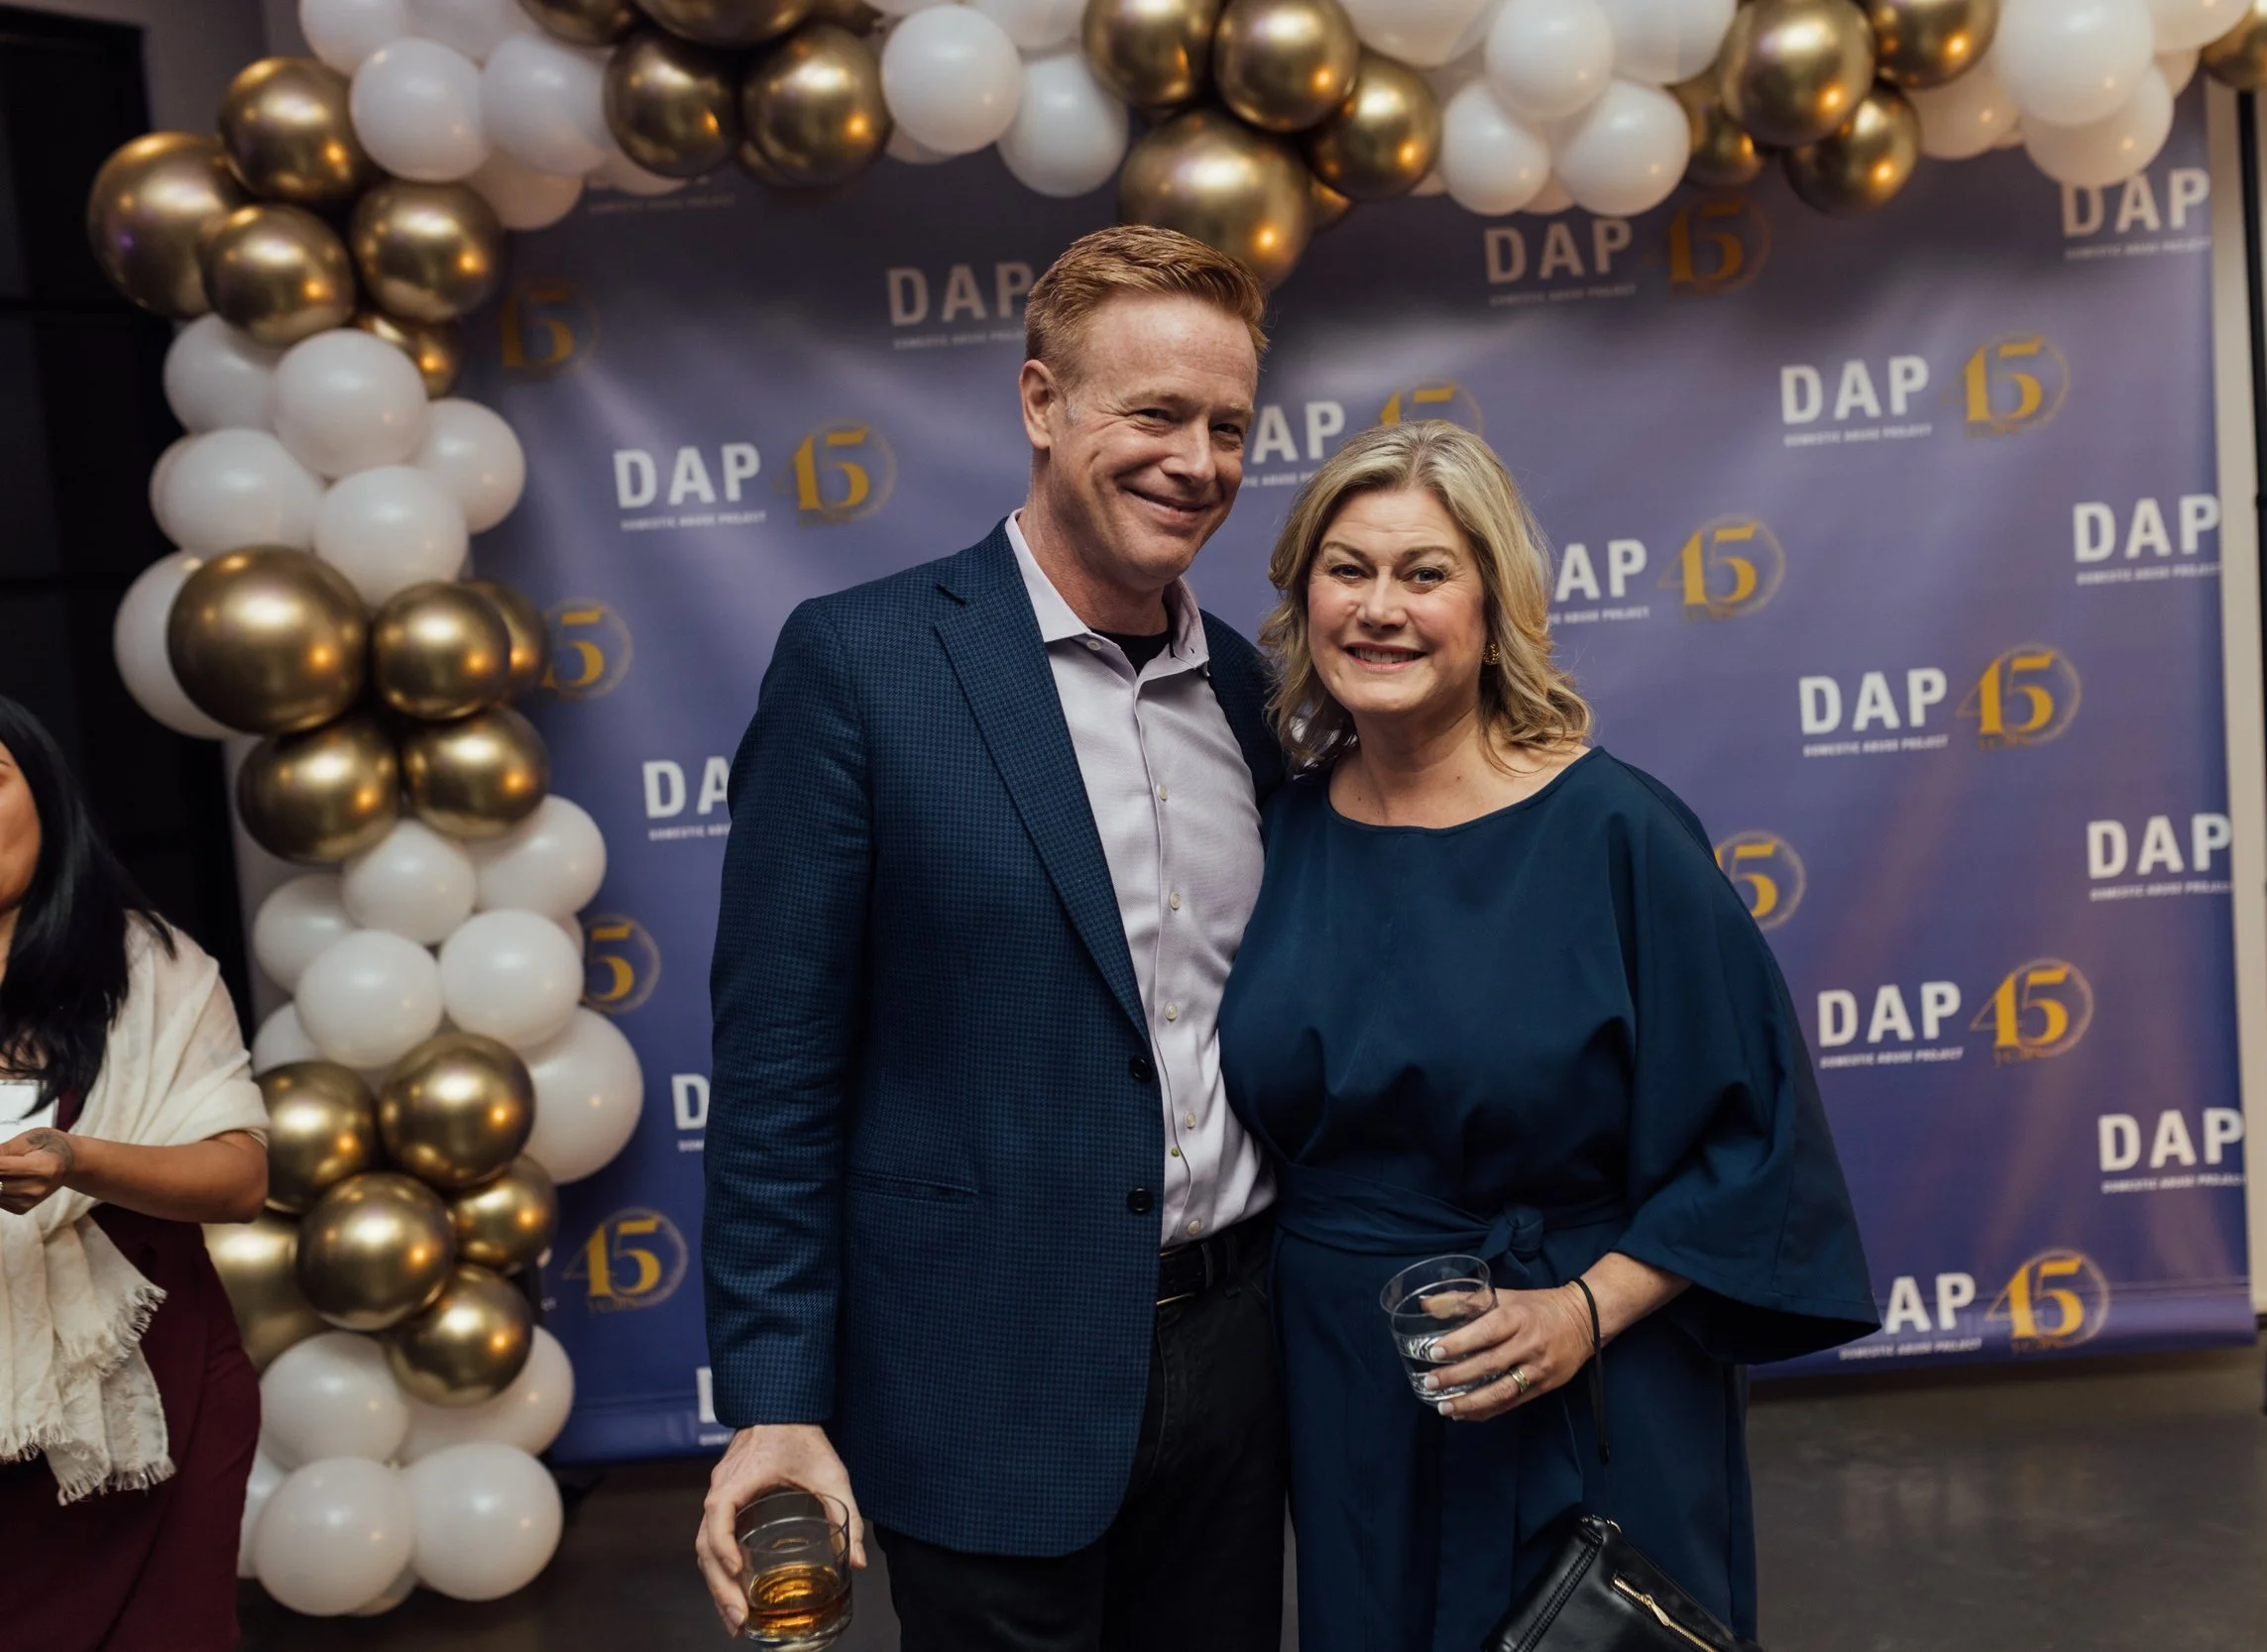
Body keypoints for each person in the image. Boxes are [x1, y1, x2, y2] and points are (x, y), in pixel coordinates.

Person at [697, 226, 1290, 1652]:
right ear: (1041, 403)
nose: (1195, 461)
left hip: (1240, 1358)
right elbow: (780, 1068)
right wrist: (779, 1399)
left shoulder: (1258, 693)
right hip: (981, 1379)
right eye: (1152, 413)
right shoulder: (863, 664)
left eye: (1227, 426)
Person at [1220, 422, 1881, 1652]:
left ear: (1491, 606)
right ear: (1301, 593)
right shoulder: (1282, 829)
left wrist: (1581, 1309)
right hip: (1349, 1382)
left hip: (1584, 1369)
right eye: (1345, 568)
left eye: (1424, 572)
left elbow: (1753, 1140)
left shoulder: (1616, 831)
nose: (1379, 607)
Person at [0, 697, 271, 1652]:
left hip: (156, 1400)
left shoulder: (149, 968)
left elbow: (239, 1181)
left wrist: (75, 1161)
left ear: (45, 795)